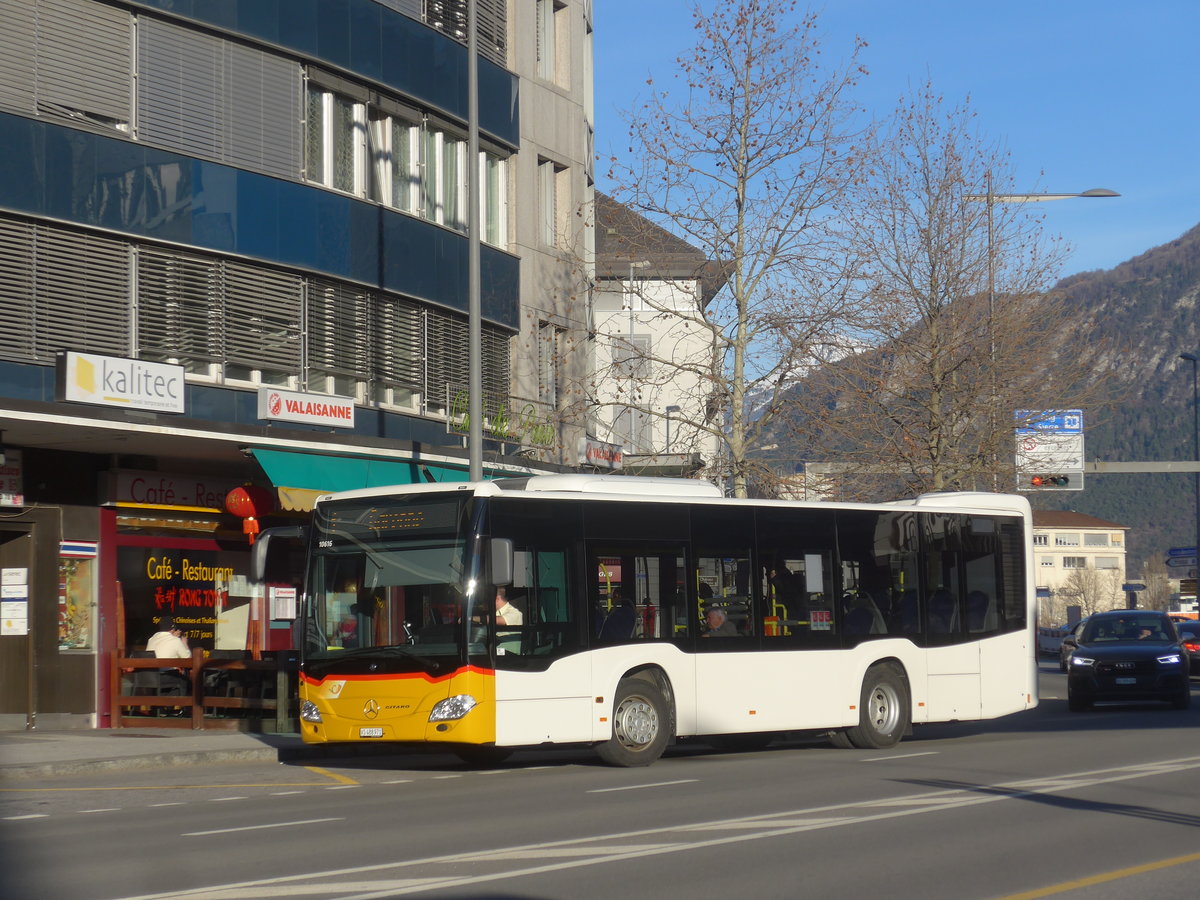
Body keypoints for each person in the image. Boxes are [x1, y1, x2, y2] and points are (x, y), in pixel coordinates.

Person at [145, 615, 190, 699]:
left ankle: (162, 706)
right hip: (164, 677)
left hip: (150, 677)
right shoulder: (175, 640)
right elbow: (187, 658)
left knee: (173, 677)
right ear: (172, 629)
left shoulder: (151, 639)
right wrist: (184, 643)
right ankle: (180, 706)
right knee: (183, 679)